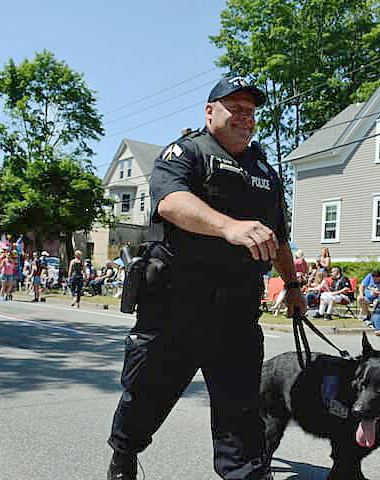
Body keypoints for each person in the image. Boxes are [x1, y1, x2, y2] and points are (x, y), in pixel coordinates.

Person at [107, 75, 305, 480]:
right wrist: (228, 227)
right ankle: (124, 455)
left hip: (236, 314)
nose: (245, 118)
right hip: (175, 309)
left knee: (242, 414)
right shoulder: (186, 152)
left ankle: (247, 473)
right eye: (236, 108)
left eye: (251, 111)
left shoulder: (265, 170)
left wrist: (294, 285)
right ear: (210, 111)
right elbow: (171, 202)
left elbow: (278, 238)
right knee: (146, 399)